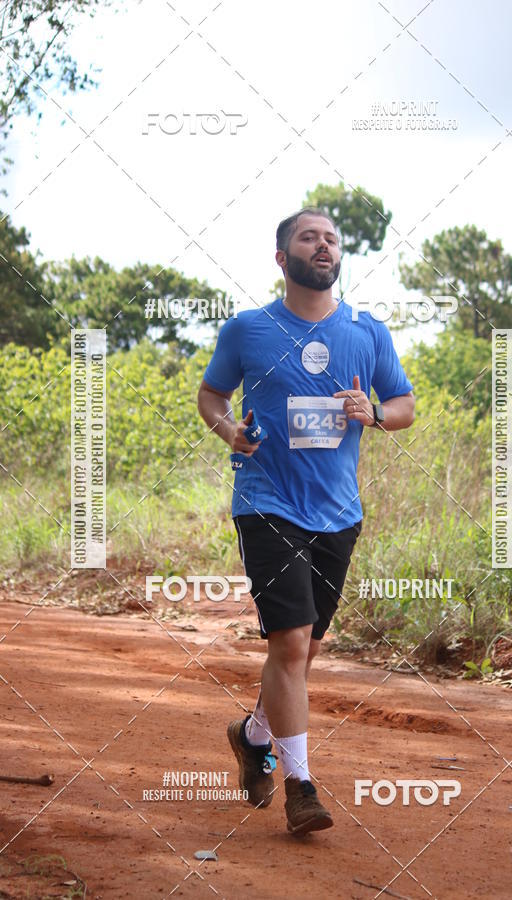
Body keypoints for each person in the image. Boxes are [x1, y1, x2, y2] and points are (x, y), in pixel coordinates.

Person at [197, 206, 415, 836]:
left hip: (337, 511)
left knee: (306, 649)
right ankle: (300, 787)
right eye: (308, 237)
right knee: (290, 645)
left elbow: (403, 405)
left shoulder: (367, 332)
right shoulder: (248, 330)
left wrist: (371, 411)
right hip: (267, 502)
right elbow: (211, 396)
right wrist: (229, 430)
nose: (323, 245)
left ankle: (251, 734)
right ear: (282, 257)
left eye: (331, 239)